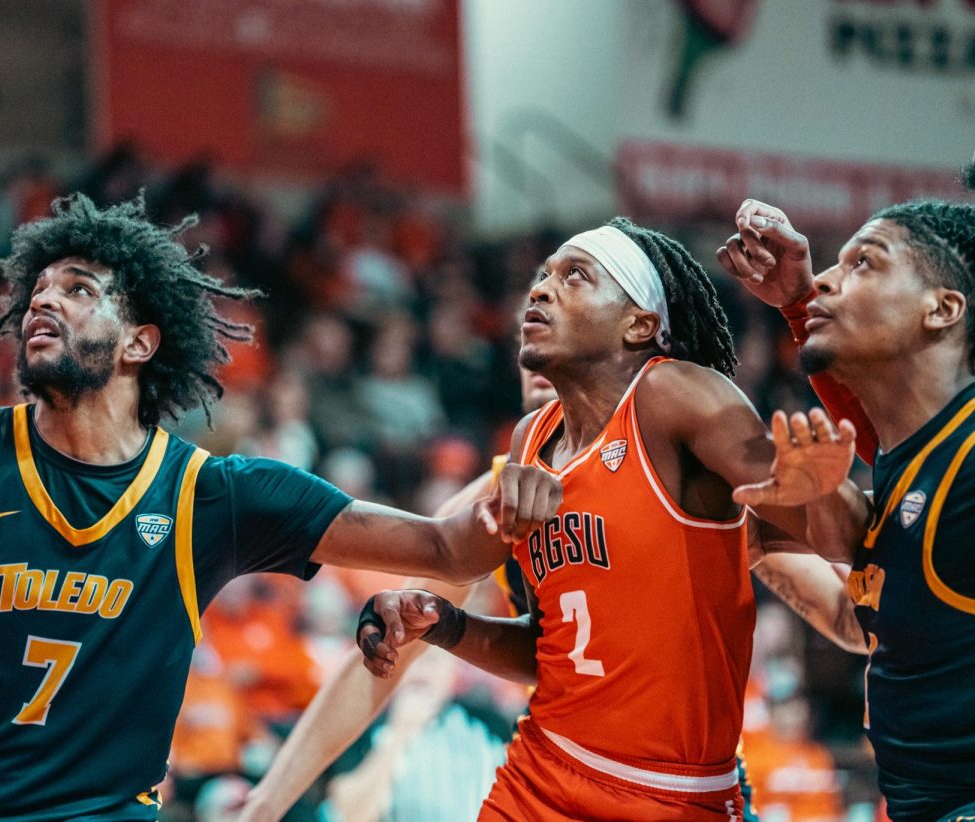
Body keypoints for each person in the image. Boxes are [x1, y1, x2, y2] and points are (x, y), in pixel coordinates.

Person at [0, 194, 562, 822]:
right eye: (38, 292)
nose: (44, 304)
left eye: (79, 290)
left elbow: (449, 552)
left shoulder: (212, 497)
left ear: (140, 343)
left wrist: (532, 464)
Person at [360, 219, 864, 820]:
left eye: (575, 276)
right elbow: (554, 654)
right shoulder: (530, 438)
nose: (542, 289)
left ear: (639, 325)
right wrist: (443, 623)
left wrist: (819, 495)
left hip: (674, 795)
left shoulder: (677, 396)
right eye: (543, 276)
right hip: (541, 775)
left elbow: (842, 545)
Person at [240, 358, 865, 822]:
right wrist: (267, 803)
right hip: (563, 778)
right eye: (532, 353)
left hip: (678, 785)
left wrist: (845, 515)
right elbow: (383, 660)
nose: (544, 366)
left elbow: (847, 618)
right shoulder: (488, 509)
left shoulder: (695, 492)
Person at [716, 187, 975, 822]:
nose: (828, 279)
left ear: (942, 309)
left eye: (865, 263)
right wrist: (800, 301)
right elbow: (860, 605)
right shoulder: (911, 448)